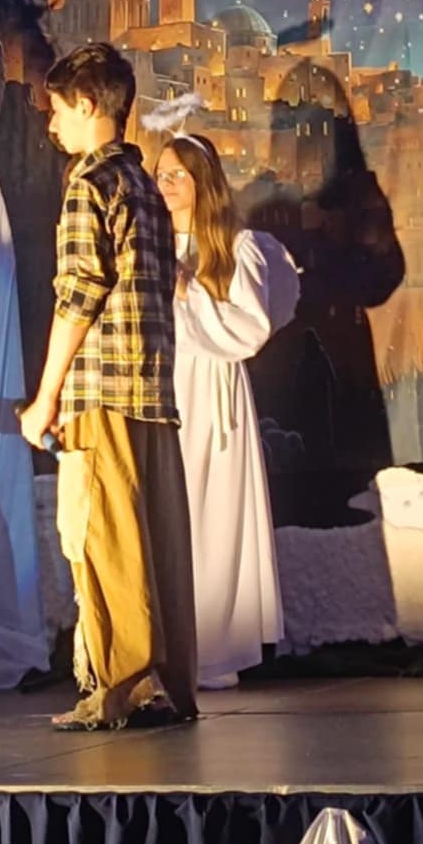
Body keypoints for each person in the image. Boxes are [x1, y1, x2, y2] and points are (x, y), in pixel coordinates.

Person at [17, 43, 198, 730]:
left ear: (88, 105)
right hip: (150, 387)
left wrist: (46, 397)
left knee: (105, 537)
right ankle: (164, 681)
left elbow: (79, 294)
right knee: (154, 537)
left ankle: (121, 687)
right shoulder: (143, 185)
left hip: (103, 388)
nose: (52, 124)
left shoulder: (90, 184)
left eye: (59, 110)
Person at [153, 132, 301, 688]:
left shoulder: (236, 247)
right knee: (168, 513)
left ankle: (215, 647)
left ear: (202, 180)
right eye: (160, 175)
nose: (166, 185)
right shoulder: (149, 241)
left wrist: (187, 292)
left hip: (212, 392)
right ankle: (165, 642)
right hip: (163, 387)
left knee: (212, 511)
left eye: (177, 175)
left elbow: (250, 328)